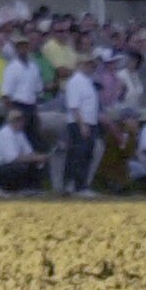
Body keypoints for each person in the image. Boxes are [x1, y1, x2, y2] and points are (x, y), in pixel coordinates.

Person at [0, 104, 47, 195]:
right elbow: (13, 158)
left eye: (21, 120)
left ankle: (30, 188)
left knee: (36, 163)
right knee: (20, 167)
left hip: (7, 166)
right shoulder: (5, 134)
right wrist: (36, 158)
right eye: (18, 120)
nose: (21, 122)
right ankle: (1, 187)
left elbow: (30, 152)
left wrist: (39, 158)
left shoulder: (20, 133)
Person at [61, 51, 101, 197]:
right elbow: (74, 106)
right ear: (80, 65)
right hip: (80, 123)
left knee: (85, 155)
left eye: (92, 64)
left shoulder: (87, 81)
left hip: (90, 122)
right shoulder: (76, 81)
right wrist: (82, 124)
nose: (91, 67)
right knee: (79, 154)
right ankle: (77, 186)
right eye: (87, 64)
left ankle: (77, 185)